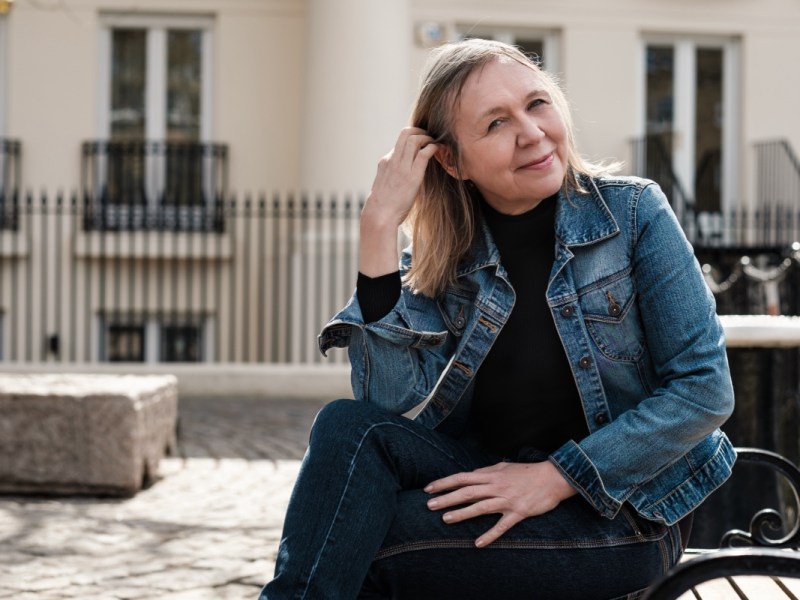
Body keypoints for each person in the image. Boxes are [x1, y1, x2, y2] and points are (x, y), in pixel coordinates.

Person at [260, 38, 735, 600]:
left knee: (351, 544)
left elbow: (704, 390)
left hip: (624, 514)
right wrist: (378, 227)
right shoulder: (448, 258)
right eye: (495, 124)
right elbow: (385, 405)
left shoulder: (633, 215)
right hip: (490, 482)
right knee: (346, 428)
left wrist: (556, 477)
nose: (532, 133)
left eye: (537, 103)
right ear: (452, 161)